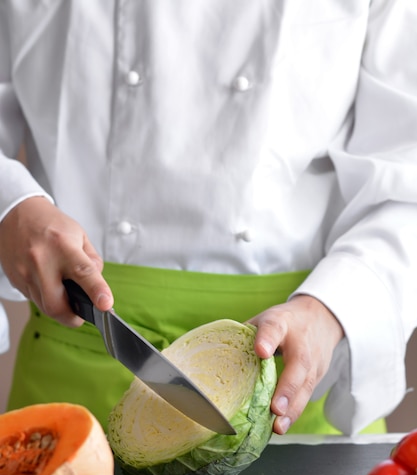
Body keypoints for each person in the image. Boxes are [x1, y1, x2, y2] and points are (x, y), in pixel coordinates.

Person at [0, 0, 416, 436]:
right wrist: (10, 206)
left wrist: (330, 310)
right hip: (78, 358)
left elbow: (408, 176)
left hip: (289, 377)